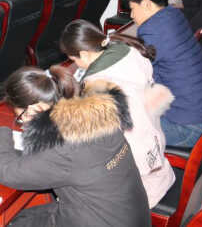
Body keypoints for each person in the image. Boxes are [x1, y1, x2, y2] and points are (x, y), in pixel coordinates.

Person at [0, 66, 150, 227]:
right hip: (131, 216)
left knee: (15, 222)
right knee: (26, 215)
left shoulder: (63, 146)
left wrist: (0, 132)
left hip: (100, 219)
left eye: (20, 117)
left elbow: (6, 171)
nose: (23, 124)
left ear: (35, 109)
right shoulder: (99, 115)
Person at [59, 19, 175, 208]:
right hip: (157, 158)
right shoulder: (129, 50)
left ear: (84, 54)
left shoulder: (98, 84)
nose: (77, 66)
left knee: (67, 178)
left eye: (74, 60)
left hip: (138, 187)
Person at [126, 0, 202, 147]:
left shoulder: (153, 30)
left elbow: (135, 72)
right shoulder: (173, 15)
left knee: (119, 128)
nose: (131, 15)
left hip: (188, 127)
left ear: (147, 4)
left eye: (133, 8)